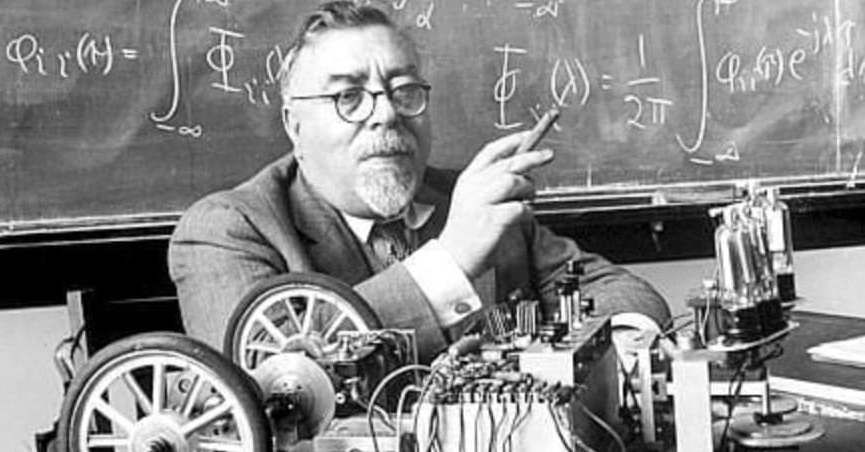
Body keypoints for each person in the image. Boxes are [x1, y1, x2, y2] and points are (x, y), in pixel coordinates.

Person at [168, 1, 670, 362]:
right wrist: (450, 262)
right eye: (348, 96)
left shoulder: (468, 201)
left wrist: (612, 353)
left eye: (404, 90)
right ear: (294, 126)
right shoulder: (227, 231)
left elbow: (621, 293)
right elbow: (271, 379)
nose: (386, 113)